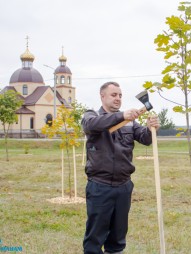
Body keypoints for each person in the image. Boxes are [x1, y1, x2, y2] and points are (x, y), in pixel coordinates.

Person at [81, 81, 160, 254]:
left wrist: (150, 129)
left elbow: (145, 139)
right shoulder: (91, 115)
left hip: (124, 186)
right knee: (95, 237)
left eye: (120, 95)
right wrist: (122, 116)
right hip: (100, 186)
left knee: (118, 237)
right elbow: (91, 126)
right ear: (102, 96)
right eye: (113, 95)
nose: (118, 98)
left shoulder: (130, 122)